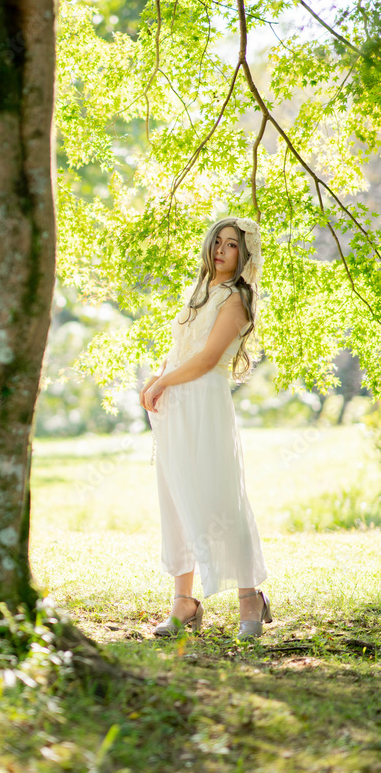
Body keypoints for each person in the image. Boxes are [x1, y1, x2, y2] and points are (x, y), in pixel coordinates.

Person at [139, 217, 272, 639]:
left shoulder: (237, 299)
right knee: (176, 498)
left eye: (231, 245)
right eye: (217, 241)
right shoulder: (198, 293)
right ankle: (184, 602)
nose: (220, 249)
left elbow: (207, 358)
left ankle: (249, 596)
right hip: (174, 403)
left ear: (243, 254)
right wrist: (158, 380)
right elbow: (181, 349)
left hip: (205, 402)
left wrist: (163, 381)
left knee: (220, 497)